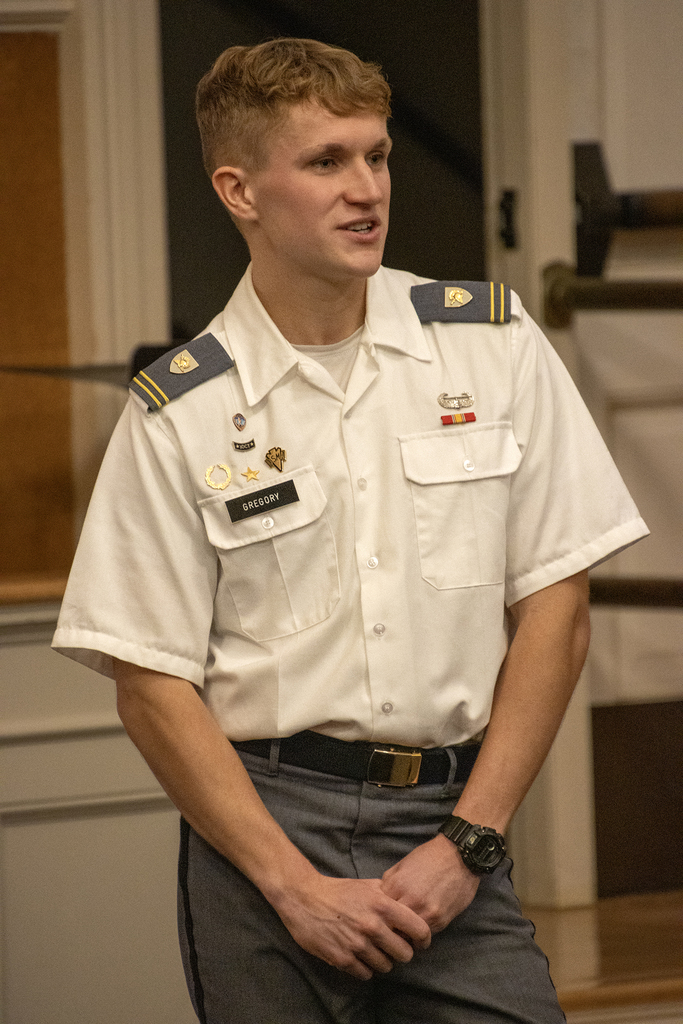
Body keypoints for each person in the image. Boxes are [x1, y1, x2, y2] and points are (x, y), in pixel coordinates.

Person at [53, 37, 648, 1024]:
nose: (365, 189)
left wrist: (471, 841)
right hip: (264, 833)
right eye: (325, 161)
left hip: (450, 820)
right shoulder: (181, 410)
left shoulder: (490, 345)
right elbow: (149, 683)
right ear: (239, 190)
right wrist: (291, 885)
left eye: (375, 155)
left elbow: (557, 605)